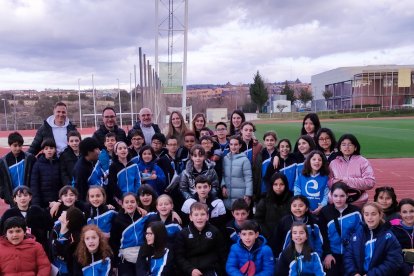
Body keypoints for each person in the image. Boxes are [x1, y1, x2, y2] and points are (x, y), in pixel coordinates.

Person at [344, 202, 403, 275]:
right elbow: (348, 256)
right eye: (366, 214)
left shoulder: (388, 236)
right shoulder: (357, 235)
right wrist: (354, 273)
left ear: (380, 215)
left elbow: (394, 261)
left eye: (373, 214)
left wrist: (371, 274)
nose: (370, 217)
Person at [319, 182, 362, 276]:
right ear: (331, 195)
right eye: (335, 195)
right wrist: (327, 253)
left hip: (351, 255)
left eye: (342, 196)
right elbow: (323, 235)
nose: (338, 199)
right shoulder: (325, 211)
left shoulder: (356, 212)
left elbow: (359, 235)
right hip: (332, 254)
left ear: (347, 196)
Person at [174, 202, 226, 275]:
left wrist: (219, 270)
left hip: (210, 269)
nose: (199, 217)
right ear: (190, 217)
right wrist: (190, 270)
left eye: (203, 214)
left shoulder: (215, 231)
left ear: (207, 216)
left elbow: (222, 254)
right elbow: (179, 256)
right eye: (196, 215)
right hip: (190, 270)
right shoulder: (183, 234)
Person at [109, 193, 153, 275]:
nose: (130, 204)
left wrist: (173, 212)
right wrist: (115, 263)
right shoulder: (117, 219)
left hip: (142, 254)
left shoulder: (143, 216)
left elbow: (158, 214)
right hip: (125, 257)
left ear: (137, 203)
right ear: (122, 205)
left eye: (132, 202)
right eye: (127, 202)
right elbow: (114, 242)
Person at [0, 186, 53, 254]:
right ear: (15, 199)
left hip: (37, 247)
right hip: (16, 249)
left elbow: (50, 226)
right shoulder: (9, 213)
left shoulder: (37, 210)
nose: (23, 198)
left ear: (30, 197)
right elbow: (2, 231)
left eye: (25, 195)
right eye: (19, 196)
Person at [329, 133, 375, 208]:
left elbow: (370, 182)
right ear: (340, 148)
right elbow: (329, 182)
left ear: (355, 147)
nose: (347, 147)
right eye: (343, 144)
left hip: (358, 203)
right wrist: (334, 182)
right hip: (337, 203)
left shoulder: (363, 161)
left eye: (350, 144)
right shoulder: (333, 163)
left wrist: (346, 181)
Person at [0, 131, 36, 206]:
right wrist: (4, 195)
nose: (18, 148)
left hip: (28, 197)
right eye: (15, 145)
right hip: (12, 198)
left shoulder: (29, 158)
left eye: (20, 145)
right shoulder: (3, 162)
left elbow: (35, 177)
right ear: (10, 145)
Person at [255, 173, 293, 240]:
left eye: (281, 184)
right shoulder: (265, 200)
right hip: (268, 237)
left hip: (287, 237)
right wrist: (268, 234)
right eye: (275, 184)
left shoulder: (291, 199)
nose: (278, 187)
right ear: (271, 185)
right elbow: (258, 220)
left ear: (286, 185)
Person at [51, 207, 86, 275]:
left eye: (66, 212)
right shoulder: (54, 230)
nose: (63, 212)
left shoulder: (74, 241)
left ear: (68, 220)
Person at [222, 135, 253, 210]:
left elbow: (248, 178)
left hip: (240, 197)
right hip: (227, 197)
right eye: (231, 144)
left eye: (236, 144)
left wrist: (248, 194)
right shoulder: (225, 159)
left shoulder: (244, 160)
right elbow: (222, 174)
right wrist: (223, 186)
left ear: (240, 146)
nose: (233, 147)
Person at [294, 150, 330, 215]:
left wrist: (322, 206)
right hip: (303, 210)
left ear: (322, 163)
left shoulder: (325, 178)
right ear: (309, 161)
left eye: (319, 160)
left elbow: (326, 195)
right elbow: (297, 193)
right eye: (314, 159)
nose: (317, 161)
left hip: (320, 211)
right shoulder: (301, 176)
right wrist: (302, 206)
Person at [30, 138, 62, 208]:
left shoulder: (59, 163)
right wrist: (36, 205)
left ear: (55, 149)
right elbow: (34, 186)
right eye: (46, 148)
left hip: (58, 202)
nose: (49, 150)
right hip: (43, 203)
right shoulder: (37, 165)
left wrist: (60, 200)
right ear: (43, 151)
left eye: (51, 148)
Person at [391, 198, 414, 276]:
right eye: (404, 212)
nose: (408, 215)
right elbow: (394, 255)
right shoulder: (393, 230)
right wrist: (408, 272)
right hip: (403, 270)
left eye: (412, 211)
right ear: (400, 213)